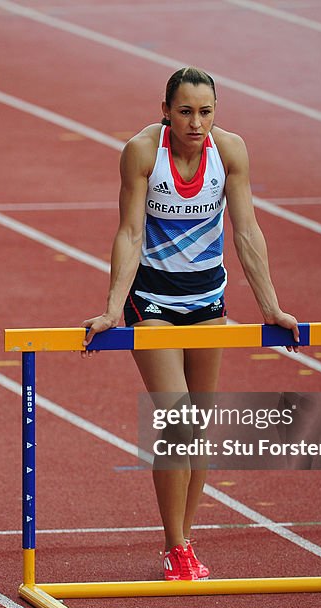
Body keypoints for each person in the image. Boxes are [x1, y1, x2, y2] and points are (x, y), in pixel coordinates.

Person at [82, 67, 299, 581]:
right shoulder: (141, 152)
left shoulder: (230, 153)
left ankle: (185, 539)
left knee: (198, 431)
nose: (196, 123)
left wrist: (271, 308)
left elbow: (246, 230)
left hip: (207, 302)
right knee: (178, 422)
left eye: (205, 112)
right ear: (165, 111)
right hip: (152, 304)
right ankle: (176, 545)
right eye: (185, 112)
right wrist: (113, 308)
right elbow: (130, 231)